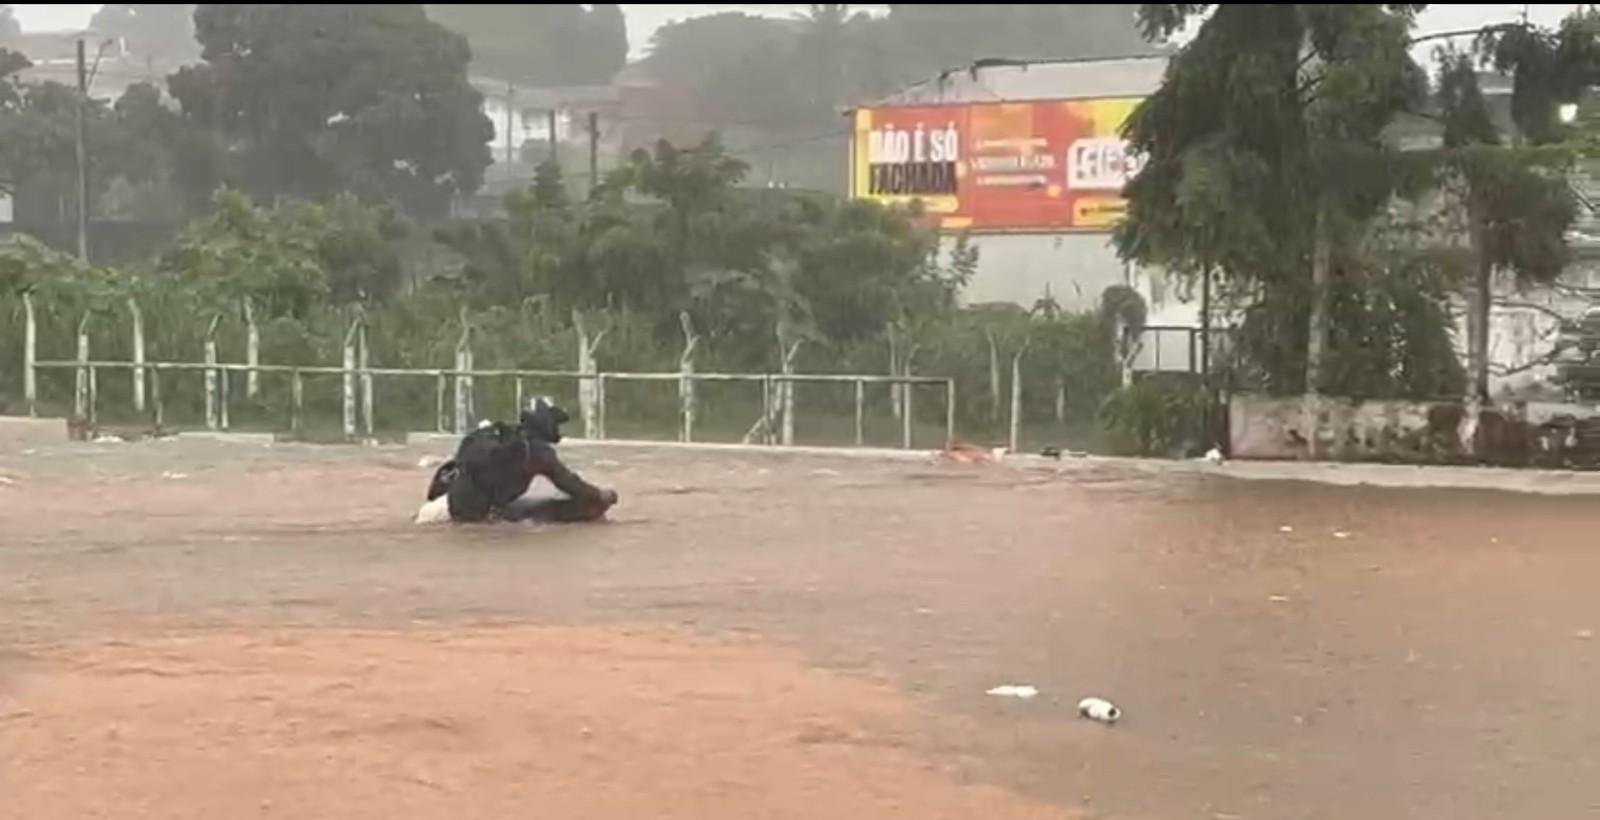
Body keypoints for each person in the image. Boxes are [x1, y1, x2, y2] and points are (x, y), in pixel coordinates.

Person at [425, 397, 618, 524]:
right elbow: (569, 483)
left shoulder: (500, 432)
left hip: (443, 507)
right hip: (481, 518)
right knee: (585, 507)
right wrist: (600, 495)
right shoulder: (538, 452)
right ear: (545, 422)